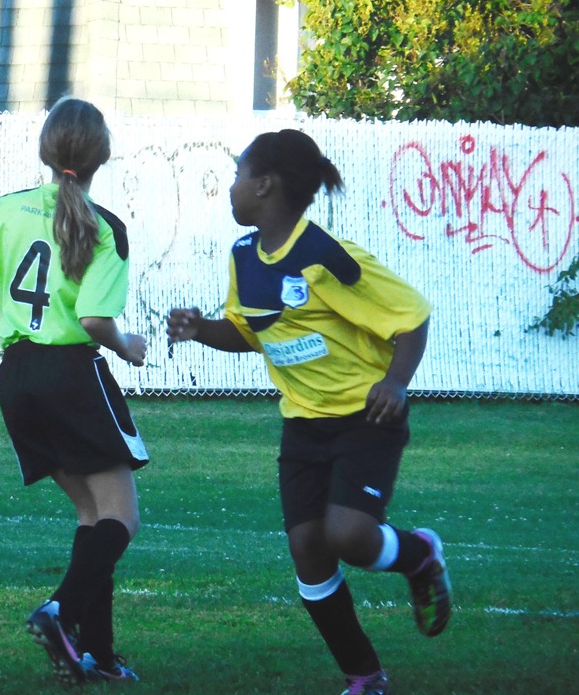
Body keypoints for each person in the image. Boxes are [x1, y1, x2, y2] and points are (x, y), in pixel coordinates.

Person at [167, 129, 451, 695]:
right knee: (308, 550)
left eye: (238, 174)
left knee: (349, 535)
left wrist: (396, 382)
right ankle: (364, 675)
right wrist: (202, 330)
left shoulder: (324, 256)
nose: (231, 187)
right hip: (302, 424)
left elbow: (411, 315)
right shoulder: (243, 256)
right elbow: (249, 332)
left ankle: (420, 556)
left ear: (264, 185)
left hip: (364, 418)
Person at [0, 97, 147, 686]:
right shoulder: (104, 228)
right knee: (122, 516)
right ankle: (59, 611)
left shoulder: (8, 210)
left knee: (92, 515)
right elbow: (93, 320)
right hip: (71, 375)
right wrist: (127, 346)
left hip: (17, 377)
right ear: (103, 155)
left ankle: (98, 654)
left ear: (45, 150)